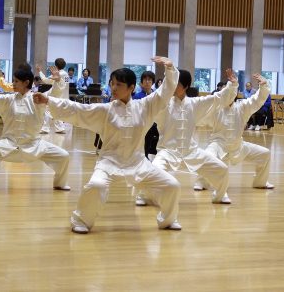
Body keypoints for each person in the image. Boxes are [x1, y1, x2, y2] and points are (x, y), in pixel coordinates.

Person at [33, 57, 182, 233]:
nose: (113, 88)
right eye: (112, 83)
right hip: (108, 163)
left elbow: (165, 92)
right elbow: (77, 109)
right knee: (96, 186)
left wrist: (170, 68)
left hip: (138, 163)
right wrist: (49, 101)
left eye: (119, 85)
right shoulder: (106, 110)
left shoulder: (145, 106)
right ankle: (80, 220)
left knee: (172, 185)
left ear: (131, 88)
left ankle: (167, 220)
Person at [135, 68, 238, 206]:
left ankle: (219, 195)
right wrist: (168, 72)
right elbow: (148, 104)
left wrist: (232, 84)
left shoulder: (195, 104)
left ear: (186, 86)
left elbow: (218, 98)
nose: (172, 86)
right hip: (168, 151)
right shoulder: (164, 105)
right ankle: (144, 195)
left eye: (176, 84)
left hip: (191, 151)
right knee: (154, 169)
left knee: (222, 169)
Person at [0, 67, 70, 192]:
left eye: (16, 81)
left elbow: (54, 95)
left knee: (63, 156)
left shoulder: (38, 98)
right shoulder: (8, 99)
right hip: (8, 144)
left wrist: (59, 82)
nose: (13, 84)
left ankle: (60, 183)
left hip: (34, 145)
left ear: (26, 83)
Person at [194, 73, 274, 193]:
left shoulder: (242, 107)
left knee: (265, 154)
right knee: (207, 155)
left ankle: (260, 182)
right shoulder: (216, 110)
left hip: (238, 146)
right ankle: (201, 182)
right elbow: (200, 118)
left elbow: (257, 101)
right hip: (218, 144)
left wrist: (263, 86)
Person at [133, 70, 160, 159]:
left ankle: (149, 154)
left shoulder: (155, 95)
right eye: (145, 80)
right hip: (141, 123)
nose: (147, 82)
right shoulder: (137, 96)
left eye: (150, 80)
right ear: (141, 82)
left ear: (152, 82)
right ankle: (142, 156)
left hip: (153, 122)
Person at [37, 58, 69, 134]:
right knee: (58, 111)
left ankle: (45, 128)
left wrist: (39, 71)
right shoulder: (66, 74)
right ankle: (60, 128)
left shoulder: (58, 74)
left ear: (56, 65)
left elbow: (45, 80)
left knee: (47, 110)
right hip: (63, 96)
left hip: (55, 95)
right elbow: (66, 84)